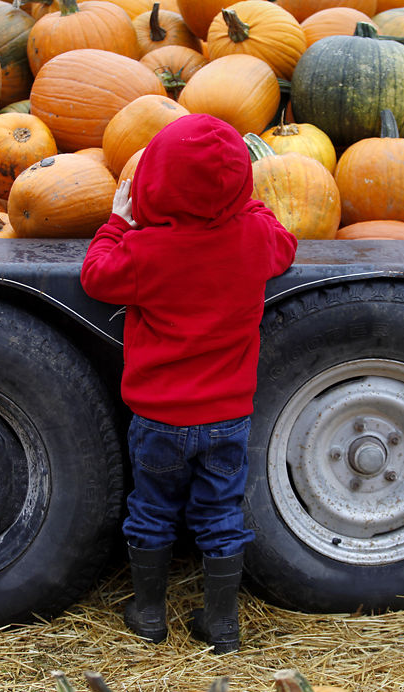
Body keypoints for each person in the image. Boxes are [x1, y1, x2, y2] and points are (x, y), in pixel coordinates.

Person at [79, 113, 298, 653]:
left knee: (152, 510)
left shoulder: (146, 252)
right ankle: (222, 624)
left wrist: (118, 222)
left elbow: (95, 275)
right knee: (222, 514)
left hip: (159, 421)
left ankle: (149, 614)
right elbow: (283, 243)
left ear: (155, 183)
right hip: (227, 420)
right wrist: (243, 205)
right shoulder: (252, 240)